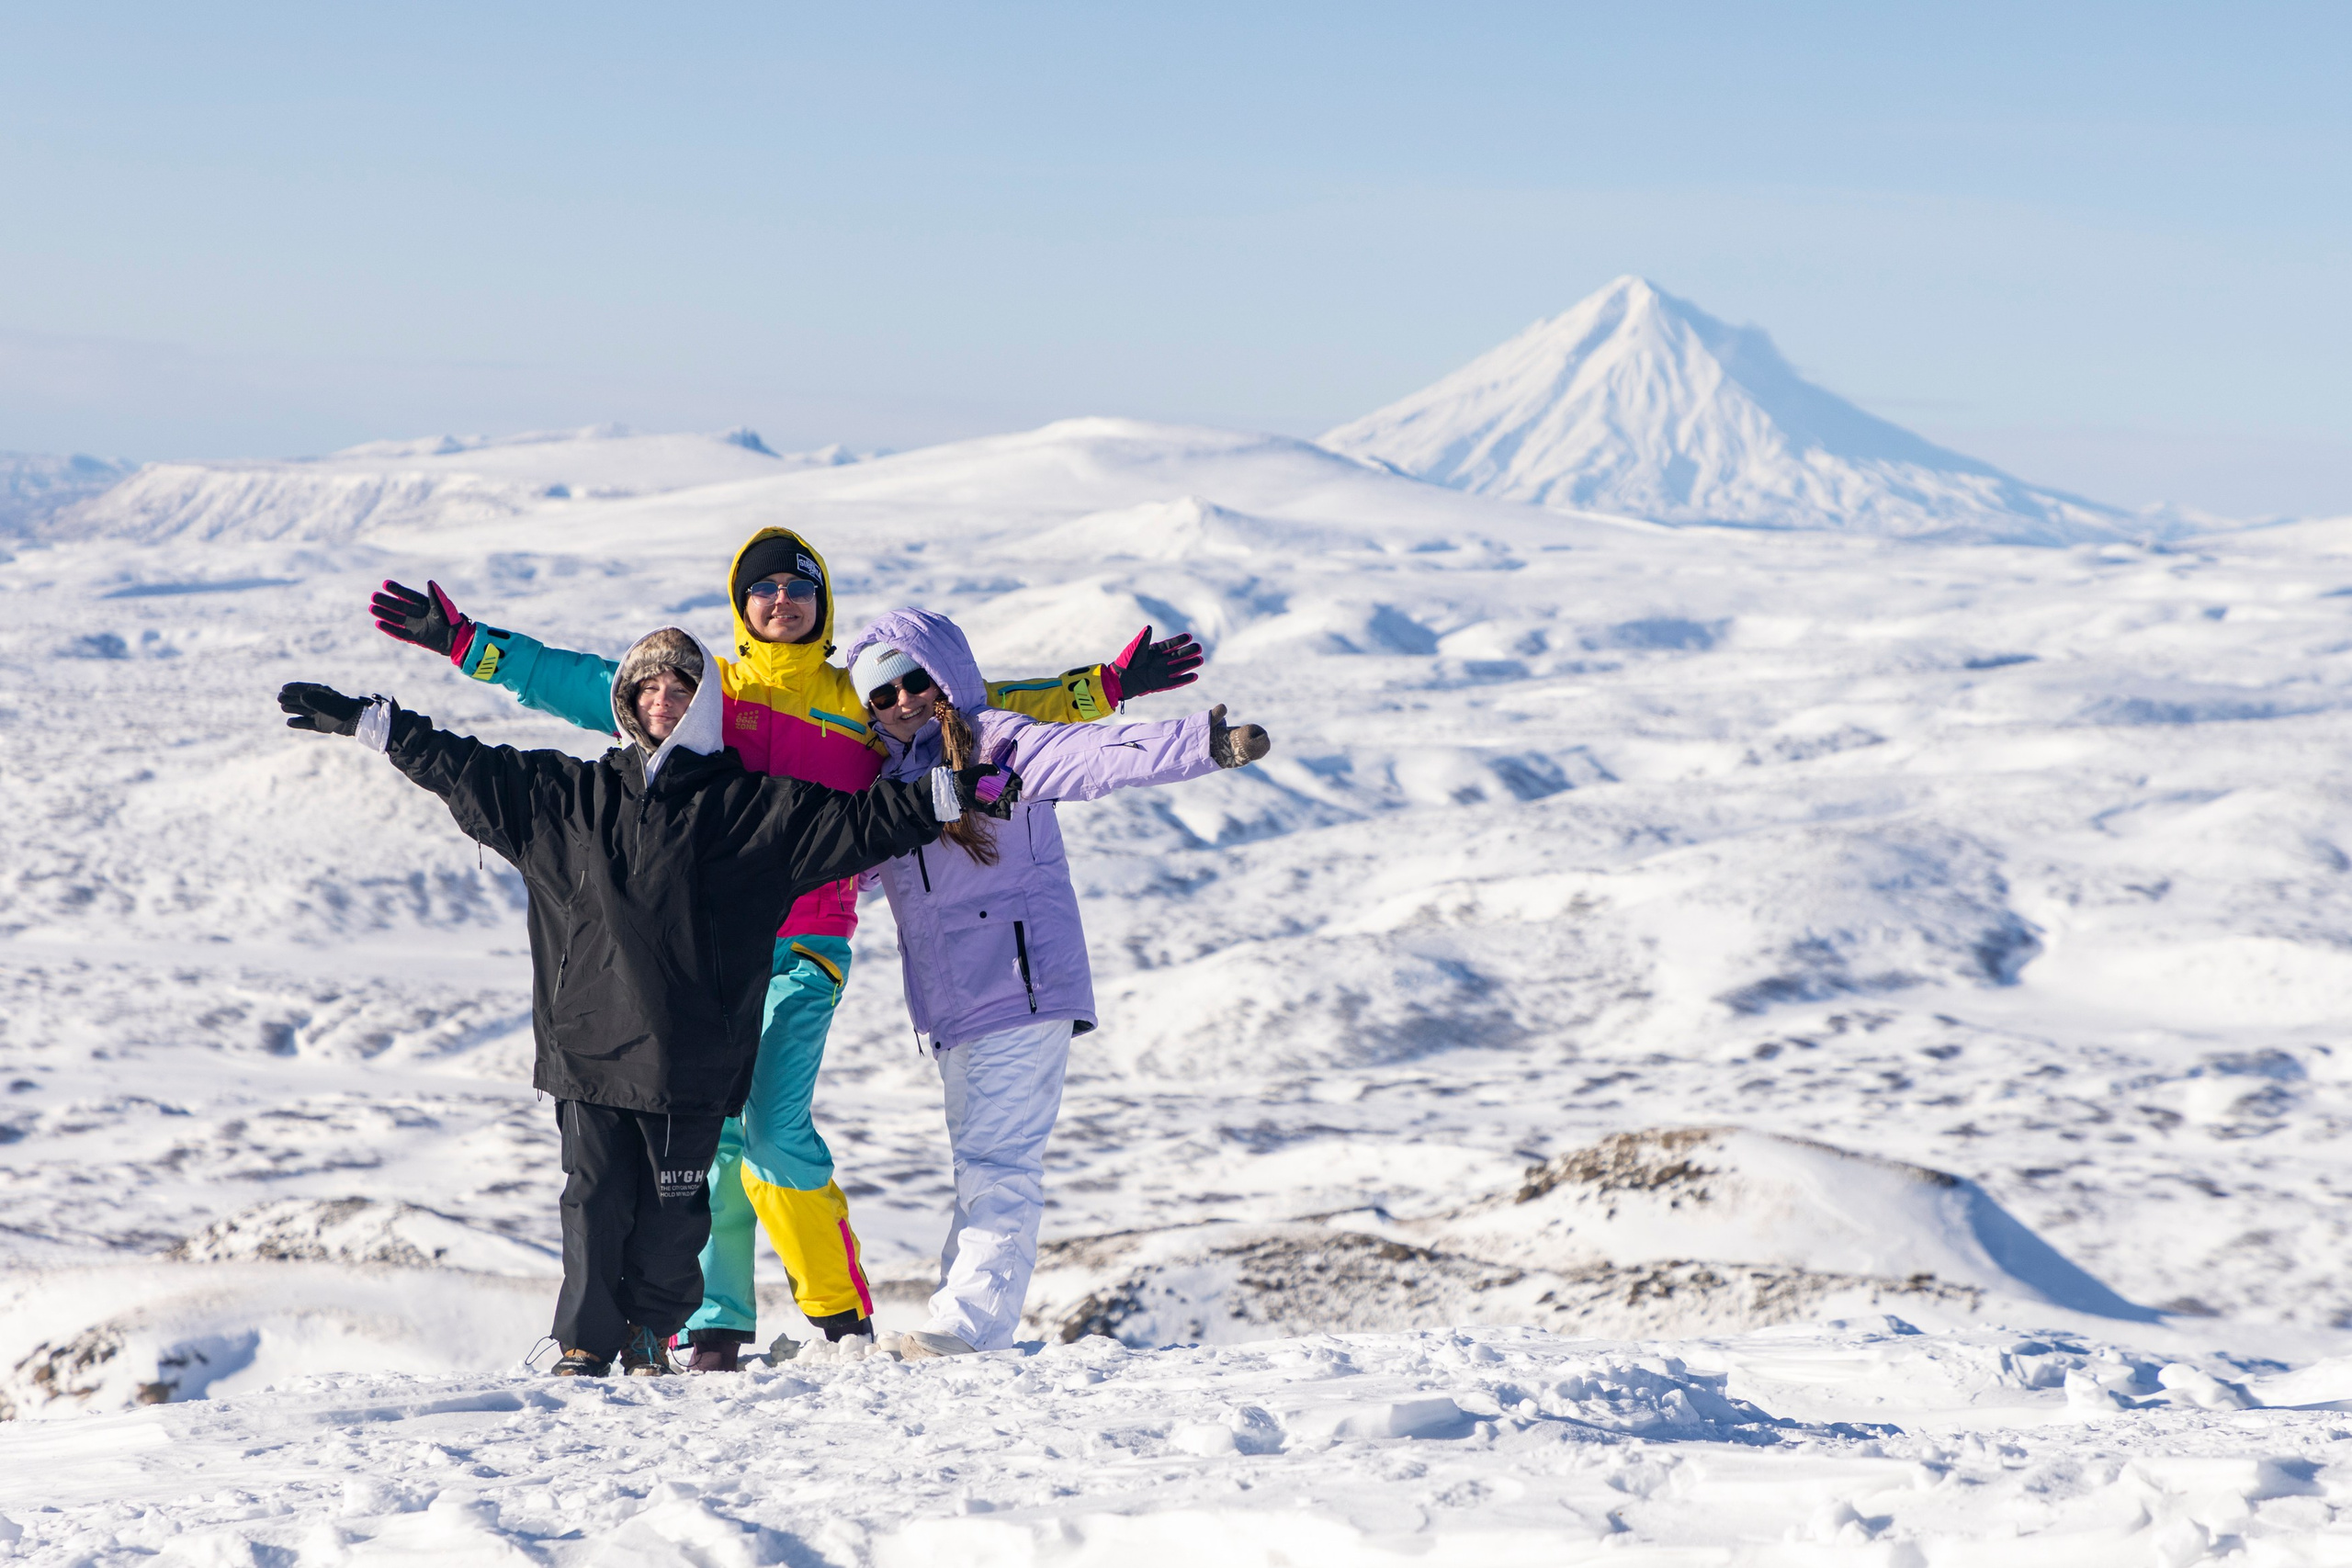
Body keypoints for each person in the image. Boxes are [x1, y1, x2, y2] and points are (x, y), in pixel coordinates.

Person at [367, 528, 1202, 1368]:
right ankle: (716, 1324)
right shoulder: (710, 694)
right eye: (762, 589)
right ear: (741, 605)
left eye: (799, 588)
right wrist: (465, 643)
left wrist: (1106, 687)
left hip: (809, 941)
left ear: (821, 602)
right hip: (708, 949)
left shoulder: (861, 699)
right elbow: (581, 681)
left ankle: (839, 1312)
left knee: (770, 1125)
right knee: (712, 1134)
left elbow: (980, 702)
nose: (781, 601)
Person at [275, 626, 1019, 1376]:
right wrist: (378, 724)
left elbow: (851, 822)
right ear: (626, 701)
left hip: (691, 1054)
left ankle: (649, 1335)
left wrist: (944, 793)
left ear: (706, 704)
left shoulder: (744, 805)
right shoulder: (571, 795)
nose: (663, 698)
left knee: (674, 1213)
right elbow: (470, 768)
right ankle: (583, 1344)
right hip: (590, 1043)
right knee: (593, 1199)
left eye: (681, 687)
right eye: (647, 686)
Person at [840, 607, 1269, 1359]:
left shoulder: (999, 742)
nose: (904, 700)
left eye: (915, 680)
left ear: (945, 676)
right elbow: (854, 867)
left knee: (999, 1163)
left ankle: (971, 1327)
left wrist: (1201, 743)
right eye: (883, 693)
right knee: (980, 1164)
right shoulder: (892, 783)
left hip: (1020, 983)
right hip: (955, 1007)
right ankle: (958, 1318)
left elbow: (1096, 757)